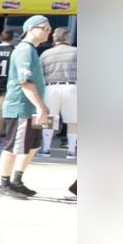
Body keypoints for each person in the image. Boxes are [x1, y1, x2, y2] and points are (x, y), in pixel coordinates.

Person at [0, 16, 52, 199]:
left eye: (49, 28)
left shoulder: (31, 50)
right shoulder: (24, 51)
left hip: (32, 108)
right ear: (31, 28)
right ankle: (4, 184)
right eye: (45, 27)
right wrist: (41, 106)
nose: (48, 31)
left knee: (34, 145)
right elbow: (25, 82)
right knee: (14, 146)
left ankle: (17, 180)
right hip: (21, 107)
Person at [38, 27, 77, 159]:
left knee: (49, 119)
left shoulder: (45, 54)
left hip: (50, 88)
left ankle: (46, 149)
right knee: (73, 121)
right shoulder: (77, 52)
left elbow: (40, 74)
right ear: (67, 38)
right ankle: (71, 151)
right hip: (72, 87)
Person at [0, 28, 18, 145]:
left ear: (0, 38)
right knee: (1, 112)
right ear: (12, 39)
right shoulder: (14, 51)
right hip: (6, 84)